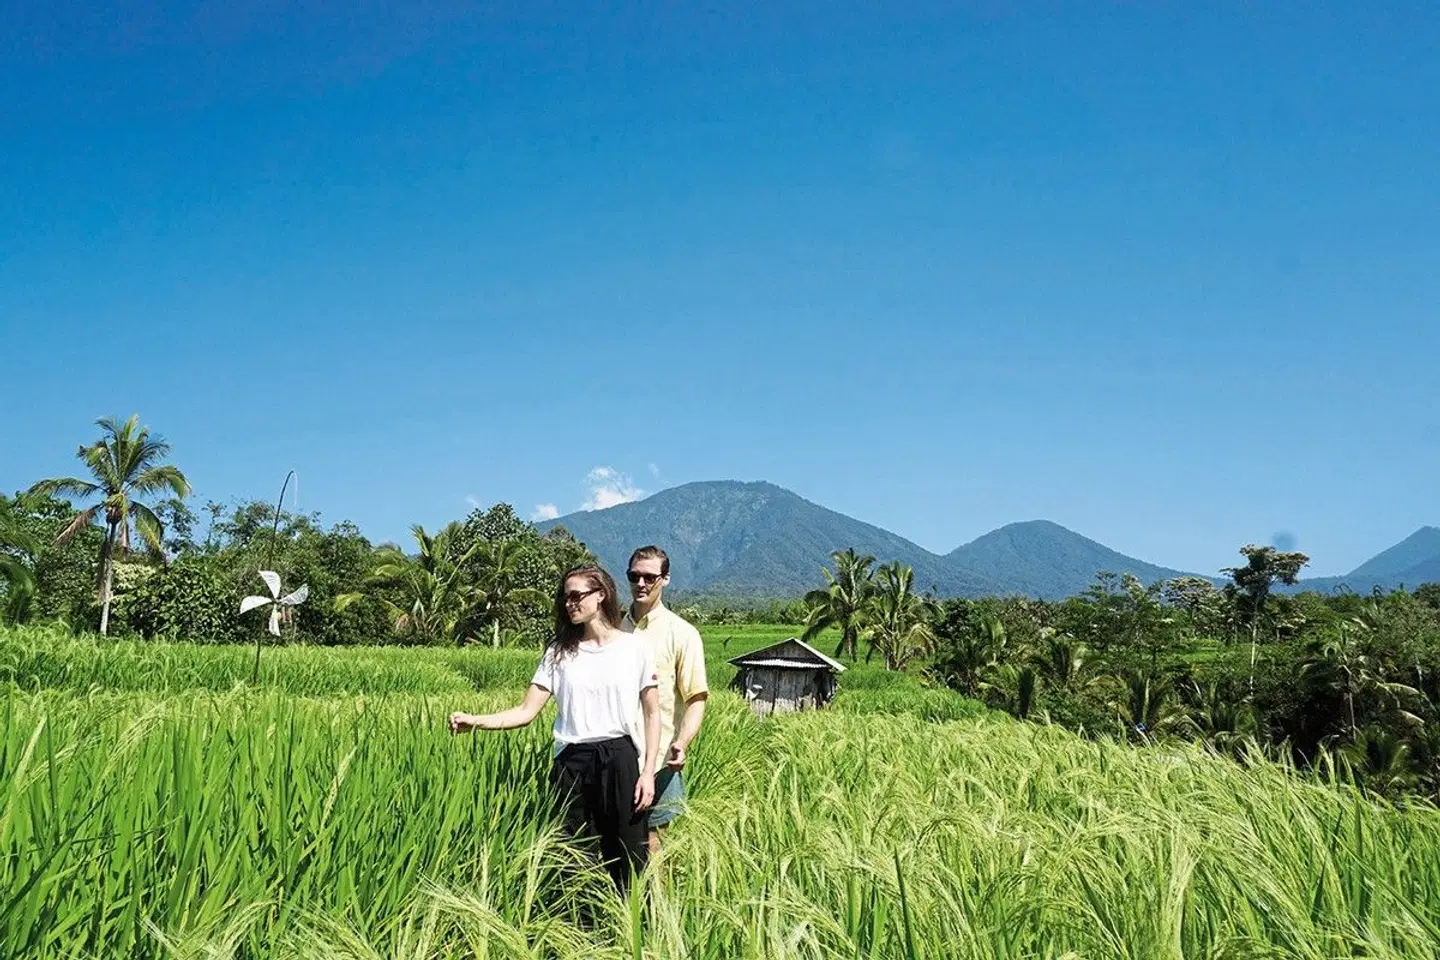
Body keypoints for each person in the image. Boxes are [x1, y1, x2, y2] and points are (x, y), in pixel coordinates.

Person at [449, 564, 660, 893]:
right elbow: (525, 711)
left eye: (577, 596)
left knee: (629, 853)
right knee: (574, 856)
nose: (569, 604)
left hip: (620, 759)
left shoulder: (634, 649)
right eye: (565, 598)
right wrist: (475, 721)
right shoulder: (558, 653)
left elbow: (651, 714)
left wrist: (647, 772)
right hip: (571, 764)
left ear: (600, 595)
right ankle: (581, 932)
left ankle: (635, 931)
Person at [620, 545, 708, 856]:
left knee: (656, 848)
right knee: (613, 845)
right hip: (616, 756)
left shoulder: (682, 634)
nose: (641, 584)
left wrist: (682, 742)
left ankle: (657, 906)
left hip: (660, 762)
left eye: (649, 577)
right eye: (634, 576)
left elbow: (696, 698)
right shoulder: (613, 629)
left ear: (665, 579)